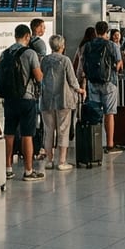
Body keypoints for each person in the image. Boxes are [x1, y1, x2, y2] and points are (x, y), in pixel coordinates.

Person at [0, 25, 45, 180]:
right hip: (27, 99)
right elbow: (38, 77)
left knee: (9, 133)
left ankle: (7, 168)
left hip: (9, 99)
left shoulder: (5, 53)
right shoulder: (30, 53)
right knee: (27, 134)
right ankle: (28, 170)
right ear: (27, 36)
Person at [79, 22, 123, 154]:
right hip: (109, 82)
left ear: (96, 31)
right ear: (107, 31)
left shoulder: (88, 45)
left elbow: (82, 63)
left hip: (92, 83)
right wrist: (116, 68)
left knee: (95, 113)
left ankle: (95, 142)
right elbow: (119, 62)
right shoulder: (111, 45)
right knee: (109, 113)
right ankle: (110, 144)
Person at [40, 35, 82, 171]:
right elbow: (72, 79)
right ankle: (62, 161)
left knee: (48, 130)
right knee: (63, 129)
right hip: (63, 99)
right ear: (62, 46)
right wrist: (79, 89)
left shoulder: (44, 60)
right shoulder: (65, 60)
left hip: (46, 99)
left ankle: (49, 160)